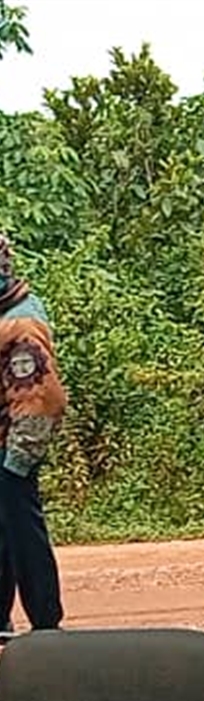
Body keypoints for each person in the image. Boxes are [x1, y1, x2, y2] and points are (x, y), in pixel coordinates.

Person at [0, 233, 67, 632]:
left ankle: (45, 622)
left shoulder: (20, 322)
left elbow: (42, 399)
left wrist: (17, 462)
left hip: (12, 446)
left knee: (23, 532)